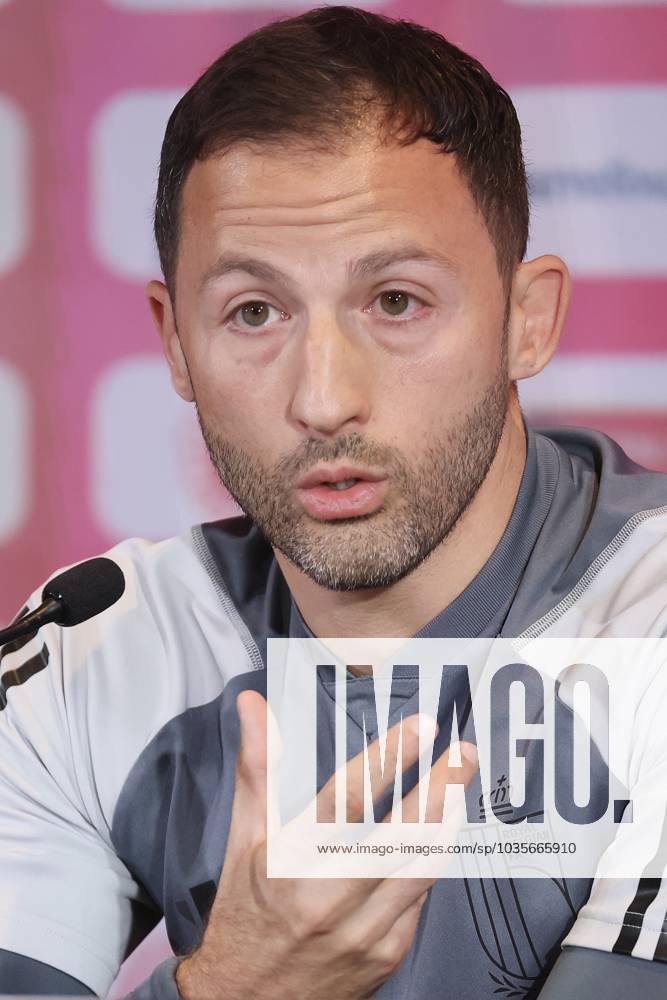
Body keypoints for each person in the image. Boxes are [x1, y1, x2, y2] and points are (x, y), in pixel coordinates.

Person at [1, 5, 666, 998]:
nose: (322, 399)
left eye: (395, 301)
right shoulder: (92, 649)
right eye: (253, 312)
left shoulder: (648, 616)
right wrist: (229, 987)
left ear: (528, 321)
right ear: (175, 341)